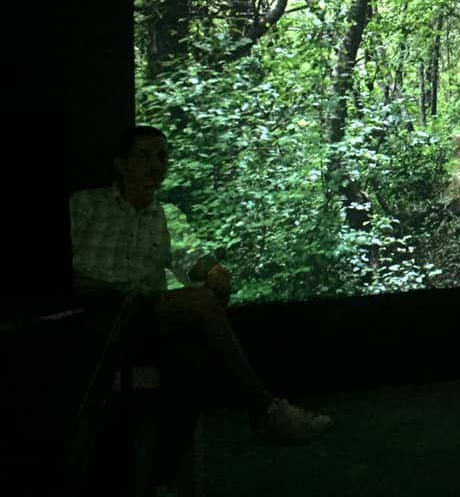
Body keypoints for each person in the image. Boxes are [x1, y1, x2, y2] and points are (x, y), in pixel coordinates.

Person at [71, 125, 332, 496]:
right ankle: (264, 409)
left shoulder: (168, 216)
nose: (155, 165)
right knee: (196, 304)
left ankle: (161, 484)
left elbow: (192, 258)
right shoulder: (85, 205)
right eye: (143, 156)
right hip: (96, 316)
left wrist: (213, 272)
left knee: (191, 358)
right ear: (120, 164)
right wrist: (106, 290)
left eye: (162, 157)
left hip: (144, 324)